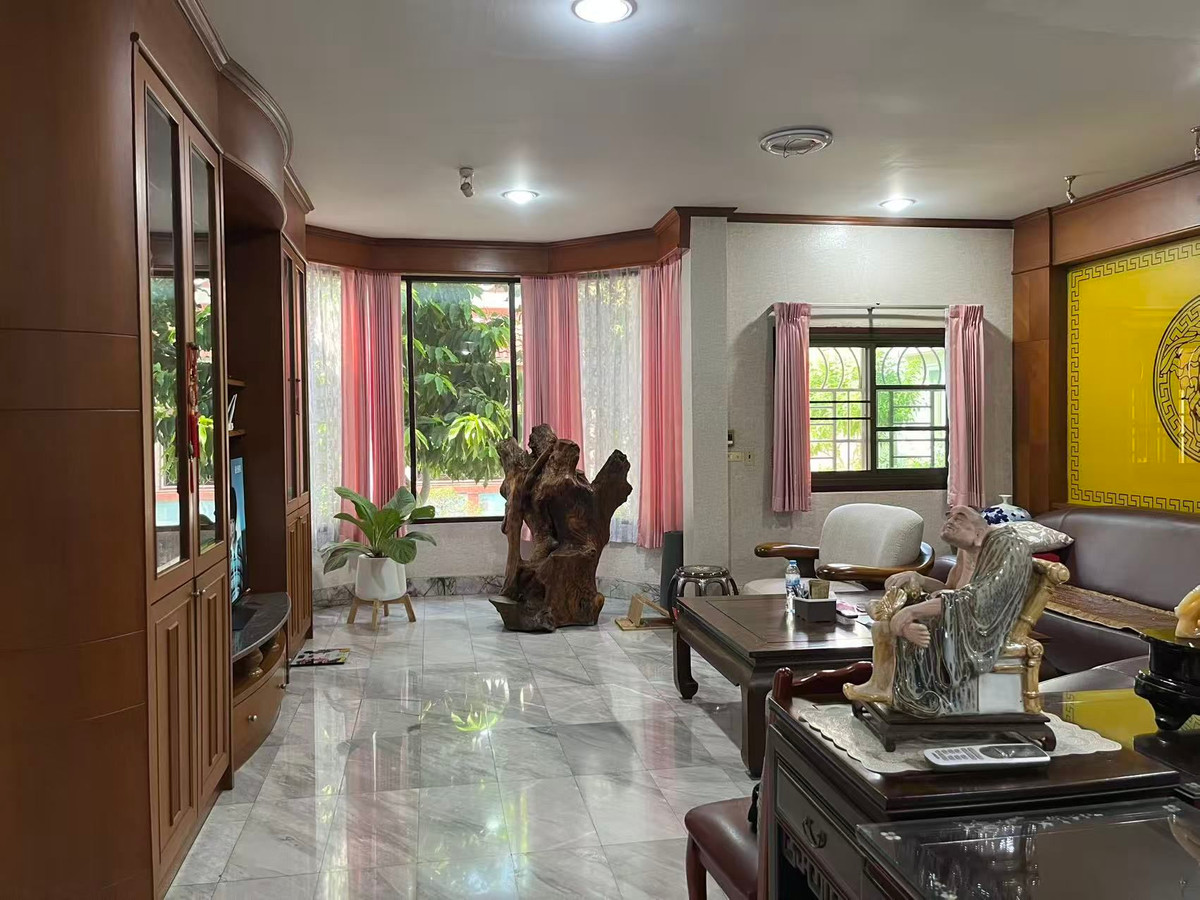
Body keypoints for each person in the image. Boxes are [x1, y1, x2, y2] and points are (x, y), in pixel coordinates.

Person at [844, 506, 1030, 715]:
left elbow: (978, 600)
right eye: (950, 516)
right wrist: (919, 579)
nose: (951, 521)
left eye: (960, 517)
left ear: (979, 531)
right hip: (957, 614)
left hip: (984, 630)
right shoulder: (966, 549)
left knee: (901, 618)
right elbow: (949, 589)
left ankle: (914, 694)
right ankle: (880, 685)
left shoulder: (1007, 546)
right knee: (882, 621)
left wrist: (913, 612)